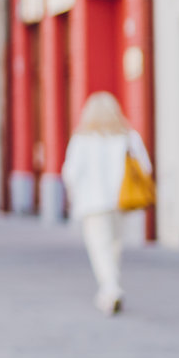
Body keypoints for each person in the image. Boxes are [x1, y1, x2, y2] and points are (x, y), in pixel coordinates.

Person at [61, 91, 151, 315]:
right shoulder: (128, 137)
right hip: (119, 201)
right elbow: (145, 168)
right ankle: (110, 287)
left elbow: (70, 172)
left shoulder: (82, 139)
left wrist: (74, 194)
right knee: (114, 246)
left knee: (99, 247)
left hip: (92, 203)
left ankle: (110, 289)